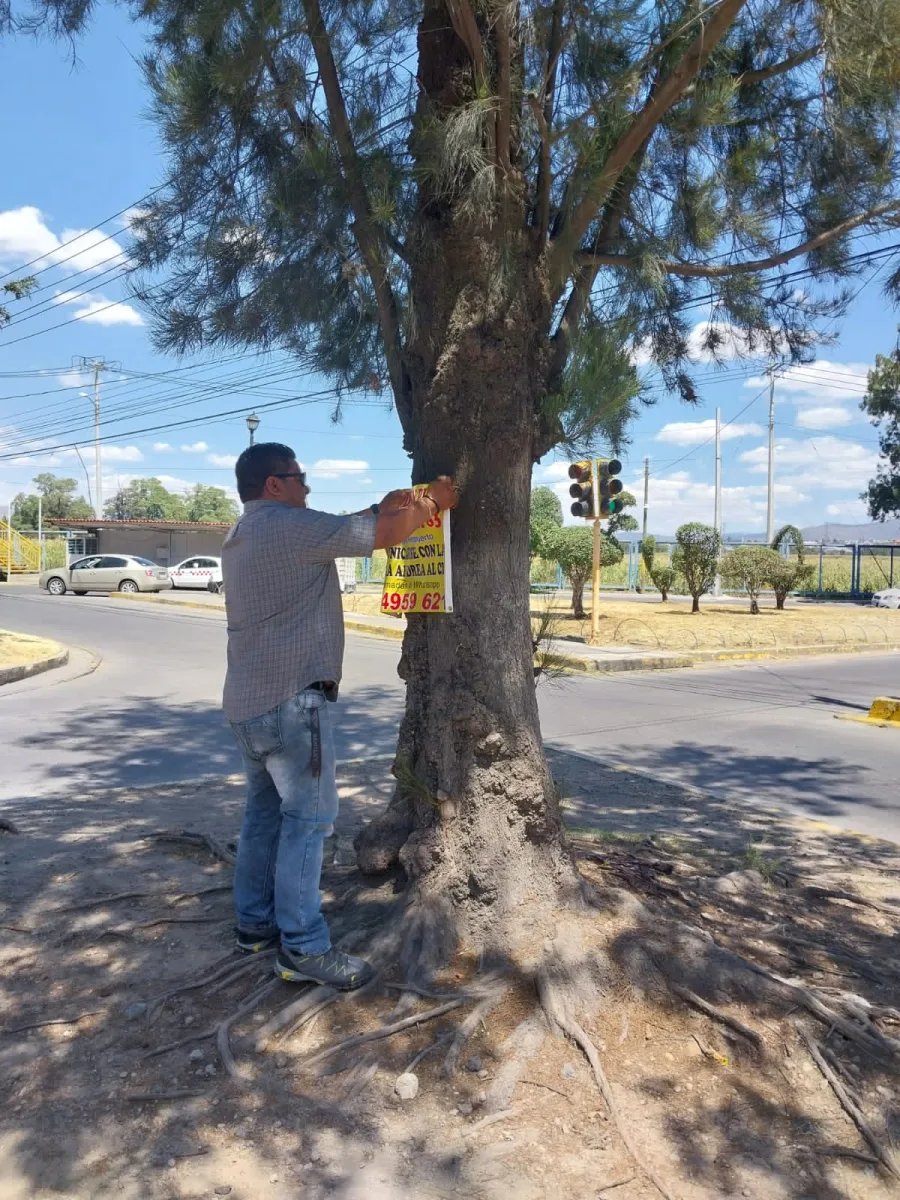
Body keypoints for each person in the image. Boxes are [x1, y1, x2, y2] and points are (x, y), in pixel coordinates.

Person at [222, 441, 458, 990]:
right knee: (307, 826)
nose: (307, 484)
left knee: (262, 820)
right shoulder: (287, 526)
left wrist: (387, 503)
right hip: (291, 705)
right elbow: (382, 536)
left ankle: (254, 926)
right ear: (274, 484)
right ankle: (304, 948)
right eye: (299, 476)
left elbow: (352, 522)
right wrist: (432, 502)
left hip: (249, 706)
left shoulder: (246, 532)